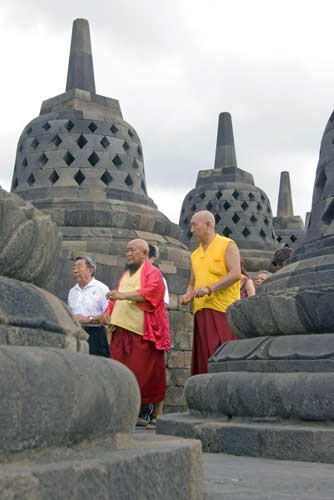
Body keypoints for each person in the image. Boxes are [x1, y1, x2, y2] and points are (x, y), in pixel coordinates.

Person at [105, 239, 170, 426]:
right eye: (127, 250)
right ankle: (123, 412)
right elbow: (115, 297)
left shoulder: (153, 273)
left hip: (142, 332)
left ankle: (152, 414)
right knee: (119, 372)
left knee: (146, 374)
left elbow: (150, 293)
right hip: (121, 330)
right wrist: (108, 313)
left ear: (144, 253)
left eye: (132, 250)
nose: (128, 253)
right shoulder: (126, 274)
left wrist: (122, 296)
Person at [180, 211, 241, 375]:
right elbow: (192, 283)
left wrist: (210, 288)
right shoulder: (195, 255)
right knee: (204, 362)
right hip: (201, 312)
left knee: (222, 360)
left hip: (223, 311)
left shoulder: (227, 245)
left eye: (195, 224)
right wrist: (188, 295)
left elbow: (236, 274)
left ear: (209, 225)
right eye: (191, 225)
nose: (191, 229)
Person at [68, 256, 110, 357]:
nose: (75, 270)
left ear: (90, 270)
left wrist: (88, 319)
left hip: (96, 334)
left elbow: (109, 316)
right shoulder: (72, 291)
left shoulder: (102, 289)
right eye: (74, 268)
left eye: (79, 267)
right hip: (76, 333)